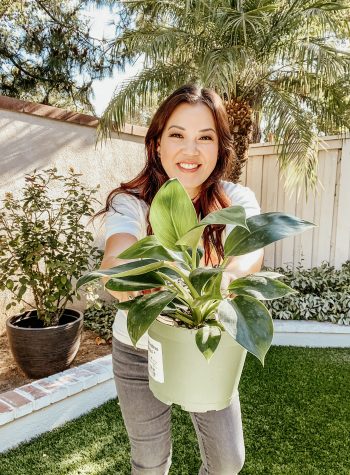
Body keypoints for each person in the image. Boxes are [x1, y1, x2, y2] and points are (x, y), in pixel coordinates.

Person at [96, 84, 264, 474]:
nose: (191, 151)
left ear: (220, 148)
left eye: (205, 137)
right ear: (156, 145)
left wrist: (226, 279)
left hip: (208, 339)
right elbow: (118, 253)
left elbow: (251, 251)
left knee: (227, 461)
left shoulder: (235, 200)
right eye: (177, 135)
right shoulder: (132, 202)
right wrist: (127, 281)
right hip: (140, 348)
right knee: (150, 462)